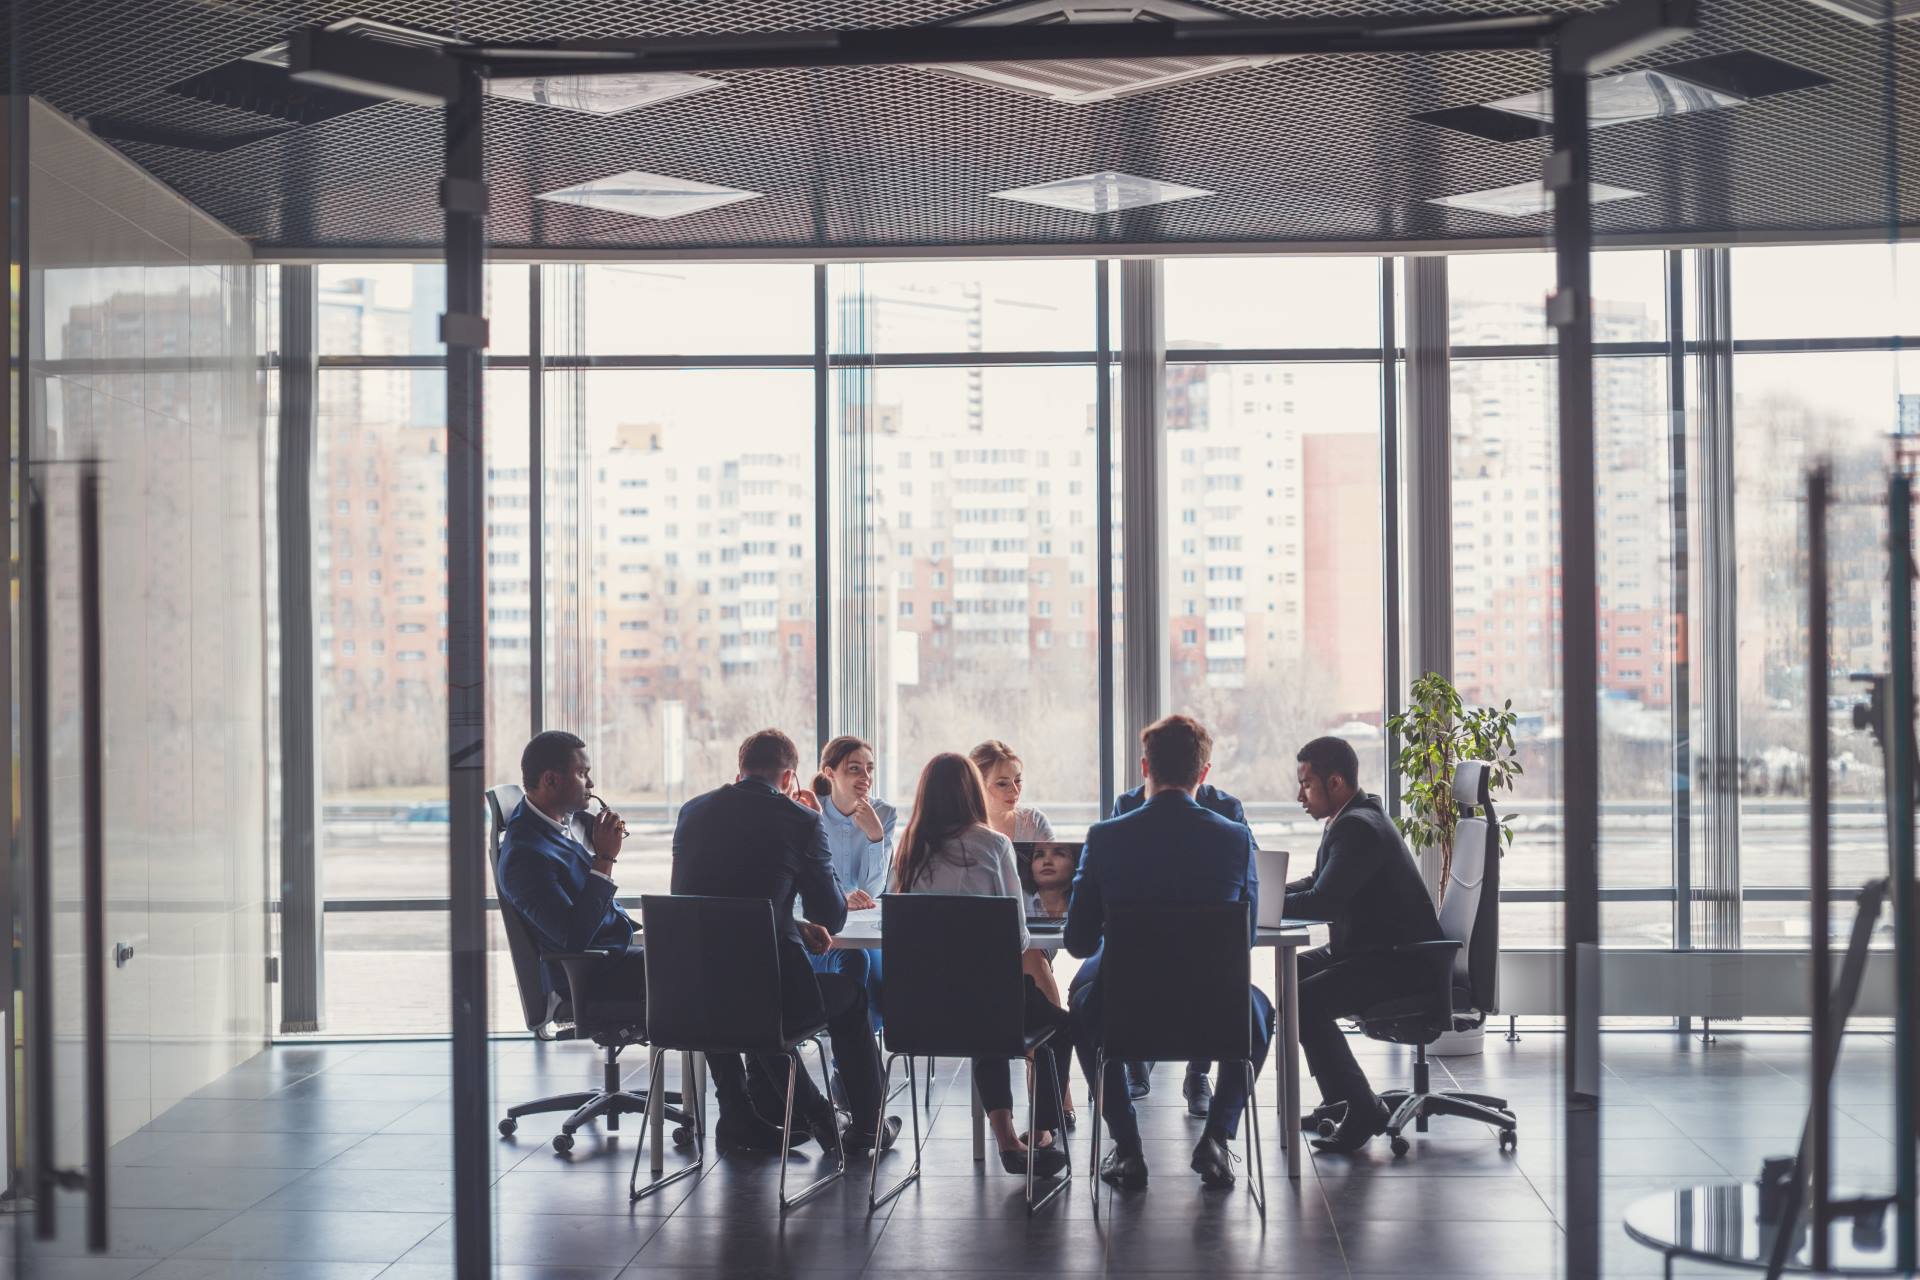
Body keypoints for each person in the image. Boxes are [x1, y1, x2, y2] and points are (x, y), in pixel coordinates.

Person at [497, 731, 798, 1156]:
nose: (591, 785)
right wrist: (604, 858)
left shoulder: (557, 829)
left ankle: (748, 1110)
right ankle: (753, 1111)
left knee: (724, 968)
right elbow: (571, 936)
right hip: (585, 978)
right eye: (583, 774)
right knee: (721, 982)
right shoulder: (525, 853)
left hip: (611, 956)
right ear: (550, 780)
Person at [671, 729, 902, 1156]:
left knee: (738, 992)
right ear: (790, 778)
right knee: (849, 996)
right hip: (767, 995)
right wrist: (815, 841)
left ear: (740, 769)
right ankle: (867, 1128)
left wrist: (793, 924)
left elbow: (716, 908)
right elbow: (832, 915)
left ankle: (743, 1113)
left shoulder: (693, 810)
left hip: (691, 991)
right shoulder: (800, 820)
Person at [1066, 714, 1272, 1191]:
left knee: (1081, 1005)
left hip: (1126, 1013)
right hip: (1213, 1013)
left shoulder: (1105, 837)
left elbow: (1077, 942)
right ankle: (1218, 1137)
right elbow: (1246, 938)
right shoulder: (1236, 840)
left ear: (1145, 767)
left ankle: (1129, 1147)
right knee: (1261, 1013)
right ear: (1203, 773)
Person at [893, 753, 1072, 1180]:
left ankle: (1005, 1137)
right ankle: (1041, 1131)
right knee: (1057, 1025)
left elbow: (894, 923)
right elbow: (1018, 938)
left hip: (919, 1011)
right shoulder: (993, 845)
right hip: (987, 1006)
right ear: (973, 791)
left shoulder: (907, 848)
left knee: (983, 1013)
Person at [1284, 735, 1443, 1154]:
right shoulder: (1353, 814)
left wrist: (1265, 903)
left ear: (1334, 782)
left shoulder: (1357, 827)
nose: (1299, 794)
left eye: (1306, 784)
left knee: (1303, 1000)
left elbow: (1323, 901)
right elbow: (1317, 884)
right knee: (1291, 976)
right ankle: (1340, 1098)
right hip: (1374, 951)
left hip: (1399, 964)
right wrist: (1265, 894)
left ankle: (1361, 1108)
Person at [1109, 775, 1250, 1115]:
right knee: (1241, 1002)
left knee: (1087, 996)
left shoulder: (1227, 809)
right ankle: (1134, 1059)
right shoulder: (1127, 806)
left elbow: (1251, 874)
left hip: (1195, 950)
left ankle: (1196, 1074)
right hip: (1152, 949)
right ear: (1203, 769)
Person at [809, 735, 896, 1104]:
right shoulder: (810, 814)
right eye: (854, 769)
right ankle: (856, 1076)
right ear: (830, 773)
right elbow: (802, 888)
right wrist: (837, 895)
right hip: (821, 931)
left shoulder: (884, 814)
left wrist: (876, 837)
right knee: (852, 963)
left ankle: (851, 1074)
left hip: (863, 931)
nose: (865, 777)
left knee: (873, 973)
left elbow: (874, 890)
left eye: (869, 769)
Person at [970, 739, 1055, 841]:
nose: (1015, 790)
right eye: (1002, 784)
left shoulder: (1034, 823)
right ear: (978, 785)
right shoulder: (962, 829)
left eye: (1018, 780)